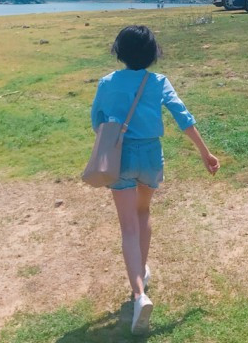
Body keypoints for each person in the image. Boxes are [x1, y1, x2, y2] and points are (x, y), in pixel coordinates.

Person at [90, 25, 220, 334]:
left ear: (119, 52)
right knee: (143, 212)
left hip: (121, 157)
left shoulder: (107, 82)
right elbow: (182, 116)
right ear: (152, 53)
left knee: (128, 228)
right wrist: (205, 153)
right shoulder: (158, 81)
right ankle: (142, 273)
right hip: (150, 156)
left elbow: (97, 121)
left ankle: (139, 294)